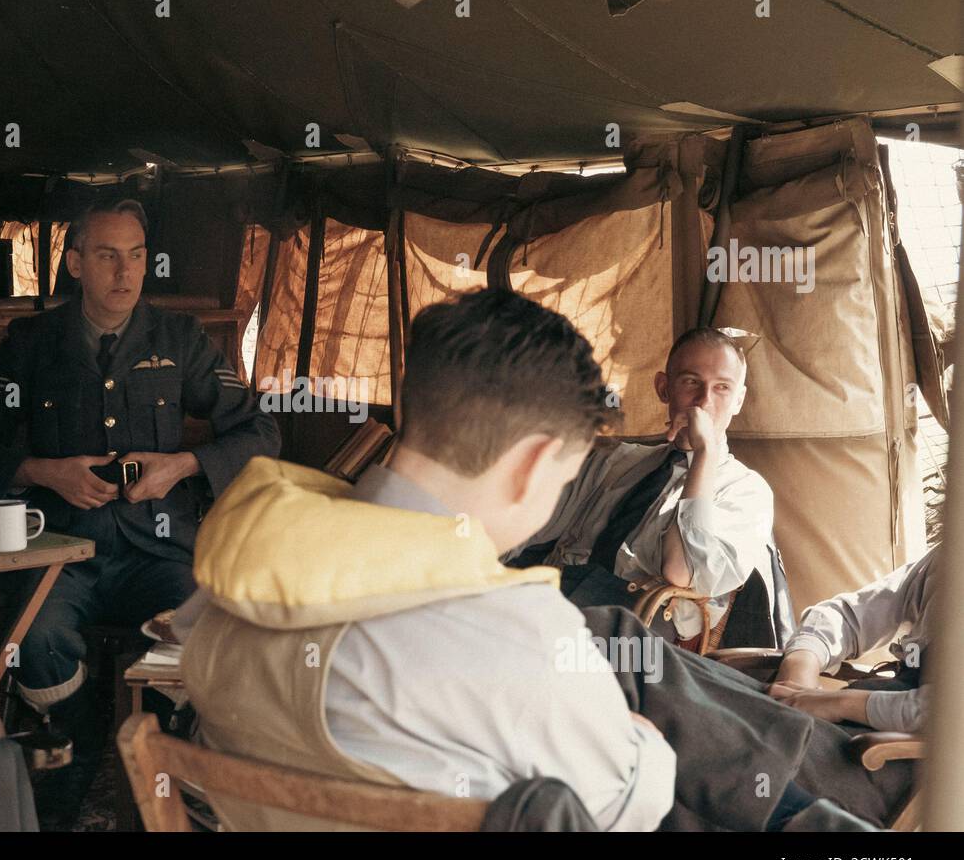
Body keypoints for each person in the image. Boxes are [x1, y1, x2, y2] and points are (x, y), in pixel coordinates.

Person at [174, 289, 899, 831]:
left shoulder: (217, 596)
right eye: (561, 479)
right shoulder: (515, 634)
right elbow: (636, 799)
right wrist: (639, 745)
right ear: (530, 466)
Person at [0, 199, 280, 814]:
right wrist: (44, 472)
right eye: (106, 257)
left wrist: (180, 466)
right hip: (63, 554)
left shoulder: (180, 340)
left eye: (136, 257)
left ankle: (156, 775)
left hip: (160, 553)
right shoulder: (32, 343)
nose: (125, 273)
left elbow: (260, 433)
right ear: (75, 263)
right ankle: (80, 749)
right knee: (35, 641)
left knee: (194, 637)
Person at [504, 327, 789, 650]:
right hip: (553, 594)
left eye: (722, 388)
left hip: (638, 626)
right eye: (691, 382)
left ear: (739, 400)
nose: (704, 402)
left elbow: (680, 571)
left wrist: (705, 455)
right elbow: (531, 526)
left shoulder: (747, 491)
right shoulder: (618, 460)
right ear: (664, 388)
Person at [770, 544, 939, 733]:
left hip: (890, 747)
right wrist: (802, 664)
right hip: (863, 714)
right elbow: (850, 616)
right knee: (733, 691)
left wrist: (840, 703)